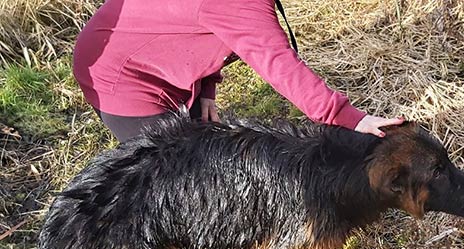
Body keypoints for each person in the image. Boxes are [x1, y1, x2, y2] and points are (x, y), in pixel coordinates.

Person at [73, 0, 405, 142]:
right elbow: (279, 65)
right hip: (117, 76)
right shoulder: (239, 3)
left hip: (136, 54)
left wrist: (206, 90)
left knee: (197, 146)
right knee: (172, 176)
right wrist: (352, 119)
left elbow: (190, 29)